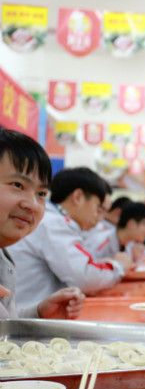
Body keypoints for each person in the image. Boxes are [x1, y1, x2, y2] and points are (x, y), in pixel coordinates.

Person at [8, 167, 128, 309]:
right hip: (27, 315)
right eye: (97, 207)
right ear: (78, 197)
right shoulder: (54, 223)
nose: (98, 217)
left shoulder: (53, 220)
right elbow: (84, 277)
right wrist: (119, 266)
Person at [0, 128, 85, 319]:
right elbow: (84, 276)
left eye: (41, 194)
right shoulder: (55, 224)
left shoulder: (3, 256)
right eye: (17, 185)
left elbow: (5, 325)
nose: (32, 205)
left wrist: (39, 313)